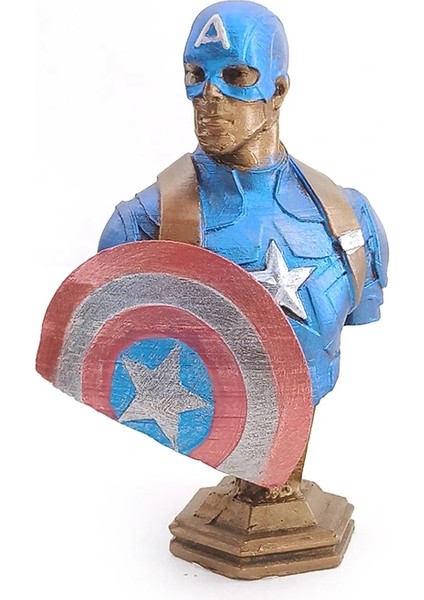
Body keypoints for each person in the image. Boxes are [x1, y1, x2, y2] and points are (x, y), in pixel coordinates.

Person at [98, 0, 388, 407]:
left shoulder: (351, 221)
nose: (210, 95)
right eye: (196, 75)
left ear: (278, 90)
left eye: (236, 75)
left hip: (304, 417)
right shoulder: (140, 227)